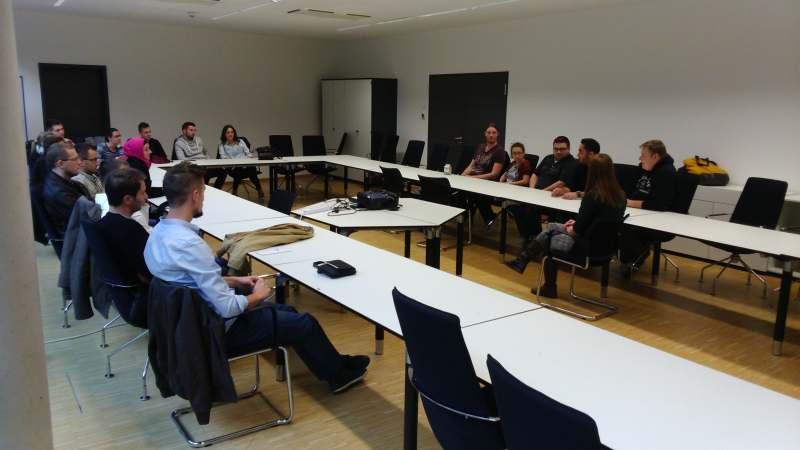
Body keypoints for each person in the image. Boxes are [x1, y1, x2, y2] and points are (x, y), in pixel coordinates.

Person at [144, 162, 370, 393]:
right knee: (304, 322)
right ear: (194, 195)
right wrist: (259, 295)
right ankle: (338, 377)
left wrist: (234, 281)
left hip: (185, 327)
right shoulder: (190, 244)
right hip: (214, 331)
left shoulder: (158, 234)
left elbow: (189, 284)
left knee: (290, 312)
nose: (204, 198)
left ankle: (336, 364)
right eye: (203, 191)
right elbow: (227, 308)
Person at [505, 154, 627, 297]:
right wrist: (576, 224)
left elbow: (576, 232)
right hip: (606, 248)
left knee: (549, 238)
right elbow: (600, 222)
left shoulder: (592, 196)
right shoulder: (621, 196)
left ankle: (546, 284)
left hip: (585, 247)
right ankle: (522, 259)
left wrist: (571, 228)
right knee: (551, 226)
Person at [619, 139, 677, 269]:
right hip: (638, 211)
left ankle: (633, 260)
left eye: (643, 155)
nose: (640, 158)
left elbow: (659, 205)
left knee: (626, 227)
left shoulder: (666, 172)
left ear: (655, 156)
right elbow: (631, 188)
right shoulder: (645, 167)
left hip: (656, 218)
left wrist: (629, 203)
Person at [511, 136, 579, 241]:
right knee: (516, 206)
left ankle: (536, 237)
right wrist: (532, 189)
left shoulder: (572, 163)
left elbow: (561, 182)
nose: (558, 151)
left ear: (568, 149)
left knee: (531, 208)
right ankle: (528, 235)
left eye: (562, 149)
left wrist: (541, 192)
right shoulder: (548, 158)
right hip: (536, 193)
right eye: (556, 149)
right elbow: (535, 174)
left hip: (551, 197)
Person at [95, 167, 152, 285]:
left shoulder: (101, 224)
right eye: (142, 193)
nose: (146, 197)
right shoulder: (132, 230)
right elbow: (149, 272)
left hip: (118, 289)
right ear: (127, 199)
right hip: (142, 289)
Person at [42, 141, 87, 256]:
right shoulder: (58, 192)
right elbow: (86, 215)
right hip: (76, 242)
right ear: (61, 164)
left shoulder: (64, 180)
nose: (80, 162)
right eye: (75, 159)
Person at [461, 124, 506, 225]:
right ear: (485, 134)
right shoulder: (480, 147)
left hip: (486, 183)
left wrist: (473, 178)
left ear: (497, 134)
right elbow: (471, 166)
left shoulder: (500, 151)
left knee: (473, 194)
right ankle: (463, 215)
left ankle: (487, 217)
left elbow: (494, 174)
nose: (491, 135)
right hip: (473, 180)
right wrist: (461, 177)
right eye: (489, 133)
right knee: (457, 191)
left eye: (494, 133)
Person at [218, 124, 264, 202]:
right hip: (233, 167)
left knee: (252, 170)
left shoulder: (240, 141)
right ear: (224, 134)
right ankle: (235, 191)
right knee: (238, 171)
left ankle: (259, 190)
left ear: (234, 133)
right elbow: (223, 157)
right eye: (228, 132)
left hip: (245, 164)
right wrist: (233, 162)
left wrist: (251, 157)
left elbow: (247, 152)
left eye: (232, 132)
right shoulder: (222, 144)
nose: (230, 134)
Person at [174, 121, 226, 187]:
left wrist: (209, 162)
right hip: (193, 168)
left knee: (223, 172)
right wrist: (196, 161)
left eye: (194, 130)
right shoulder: (179, 143)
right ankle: (202, 189)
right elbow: (181, 159)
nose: (193, 132)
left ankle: (216, 190)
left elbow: (205, 152)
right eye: (191, 130)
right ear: (184, 131)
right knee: (203, 176)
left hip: (205, 166)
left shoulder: (198, 139)